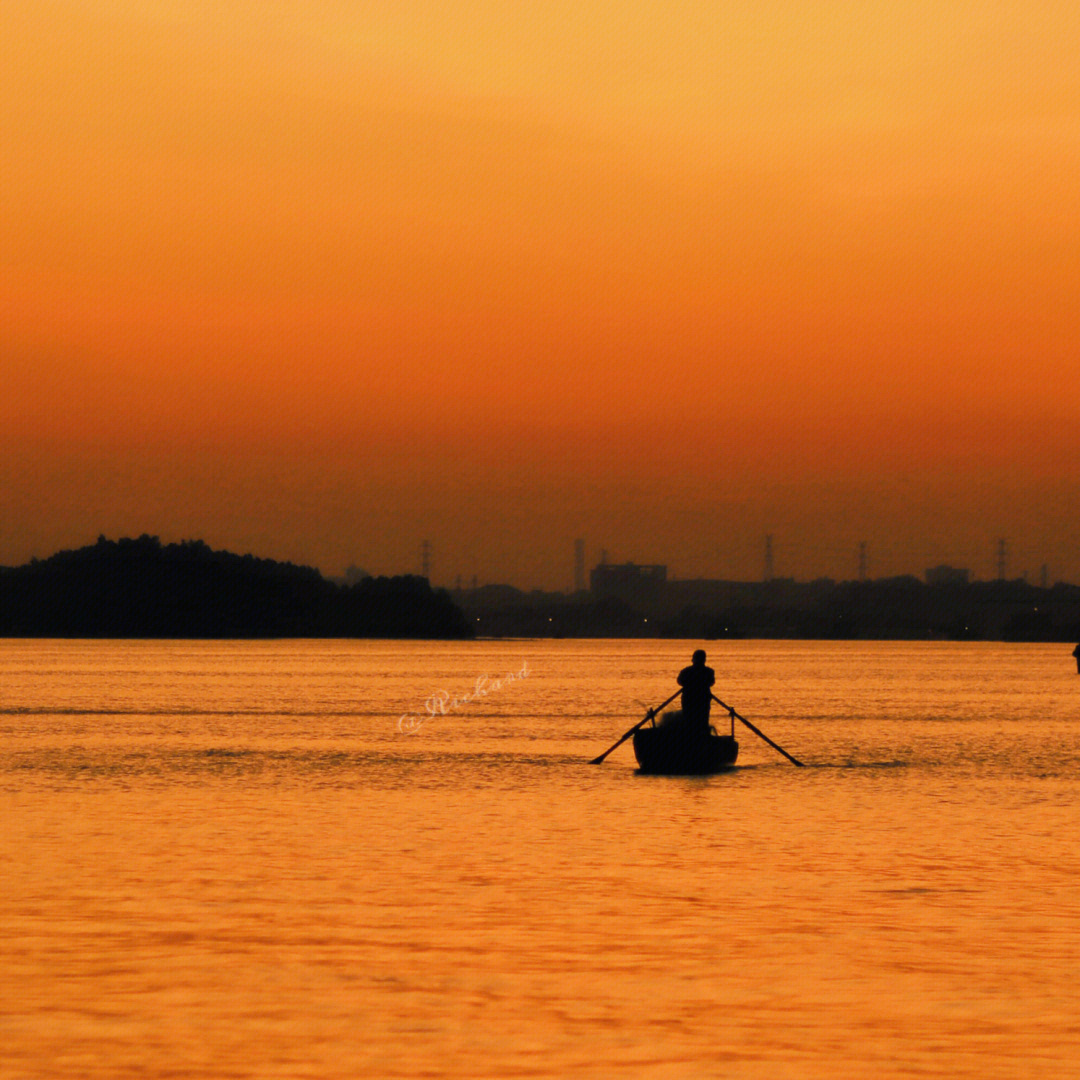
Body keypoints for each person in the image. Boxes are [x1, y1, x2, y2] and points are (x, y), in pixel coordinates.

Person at [676, 649, 715, 736]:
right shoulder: (708, 671)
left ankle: (698, 736)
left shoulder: (707, 672)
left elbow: (711, 682)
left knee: (699, 719)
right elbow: (680, 681)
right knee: (691, 719)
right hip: (692, 700)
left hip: (701, 700)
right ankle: (695, 736)